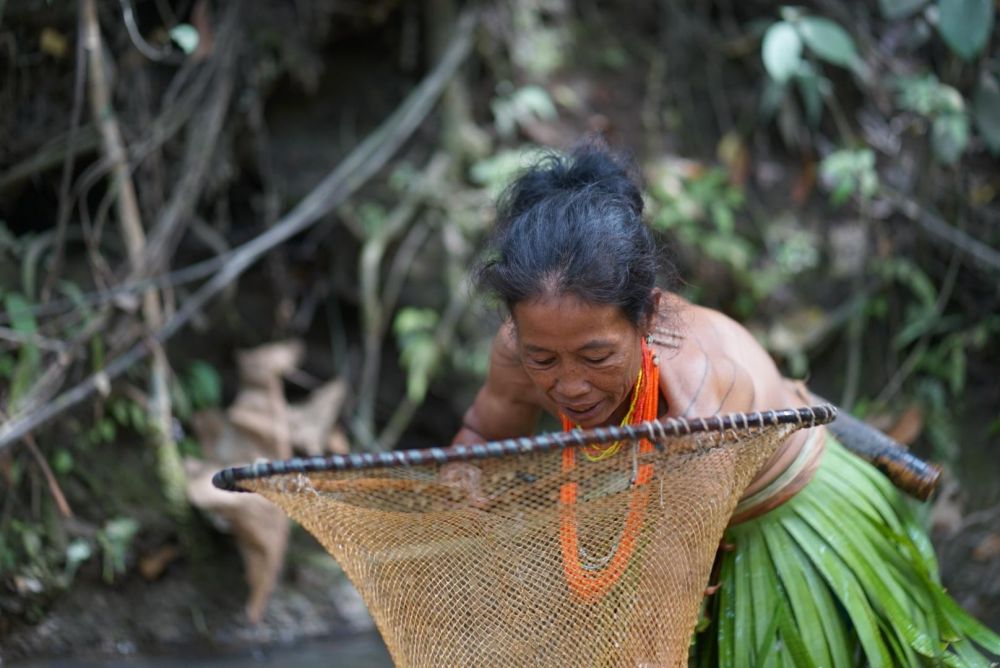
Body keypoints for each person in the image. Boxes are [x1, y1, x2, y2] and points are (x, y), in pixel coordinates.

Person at [451, 142, 1000, 666]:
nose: (569, 386)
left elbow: (671, 580)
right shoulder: (518, 351)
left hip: (788, 532)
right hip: (667, 530)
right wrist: (460, 486)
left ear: (648, 317)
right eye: (545, 360)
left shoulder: (693, 389)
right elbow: (481, 434)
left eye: (595, 357)